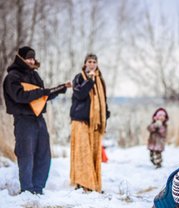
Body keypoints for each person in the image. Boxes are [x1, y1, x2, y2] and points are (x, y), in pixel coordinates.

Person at [2, 46, 71, 195]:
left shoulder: (35, 76)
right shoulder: (12, 77)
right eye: (28, 58)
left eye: (33, 58)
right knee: (26, 155)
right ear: (21, 59)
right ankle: (27, 190)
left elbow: (43, 96)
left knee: (43, 154)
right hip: (23, 120)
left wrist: (61, 88)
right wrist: (41, 92)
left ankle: (38, 189)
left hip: (39, 119)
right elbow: (20, 96)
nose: (32, 60)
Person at [70, 54, 110, 193]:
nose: (92, 64)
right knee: (82, 153)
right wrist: (90, 80)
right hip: (80, 120)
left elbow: (103, 100)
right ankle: (81, 183)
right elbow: (80, 94)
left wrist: (106, 114)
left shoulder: (100, 80)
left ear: (97, 64)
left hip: (95, 122)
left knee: (93, 153)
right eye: (89, 62)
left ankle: (93, 184)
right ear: (85, 63)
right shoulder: (79, 78)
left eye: (94, 62)